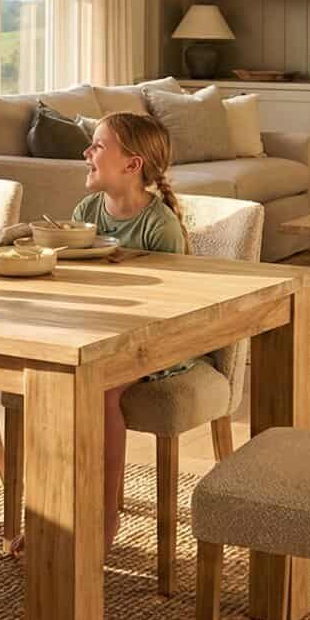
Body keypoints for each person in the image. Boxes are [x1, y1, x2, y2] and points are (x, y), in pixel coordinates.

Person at [74, 112, 191, 549]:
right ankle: (61, 514)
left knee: (101, 390)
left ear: (132, 165)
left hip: (154, 342)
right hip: (98, 333)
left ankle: (104, 520)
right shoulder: (86, 211)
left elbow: (171, 306)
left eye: (98, 146)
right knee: (52, 382)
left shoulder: (159, 226)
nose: (87, 153)